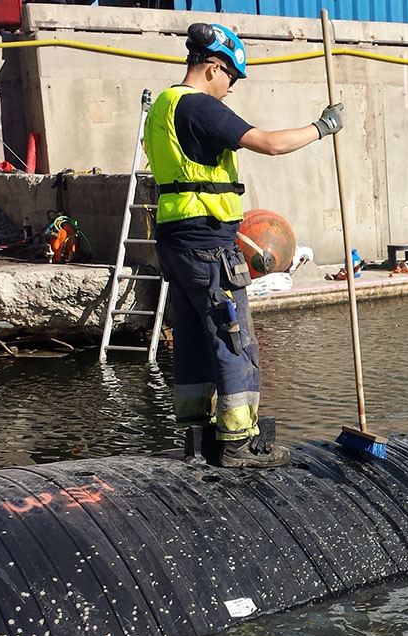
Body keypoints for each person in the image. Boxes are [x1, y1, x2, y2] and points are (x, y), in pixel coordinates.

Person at [144, 22, 344, 468]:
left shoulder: (162, 105)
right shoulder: (200, 107)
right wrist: (322, 127)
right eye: (231, 78)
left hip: (176, 242)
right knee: (235, 340)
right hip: (208, 246)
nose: (231, 89)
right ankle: (237, 443)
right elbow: (269, 144)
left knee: (195, 335)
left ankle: (195, 430)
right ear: (213, 67)